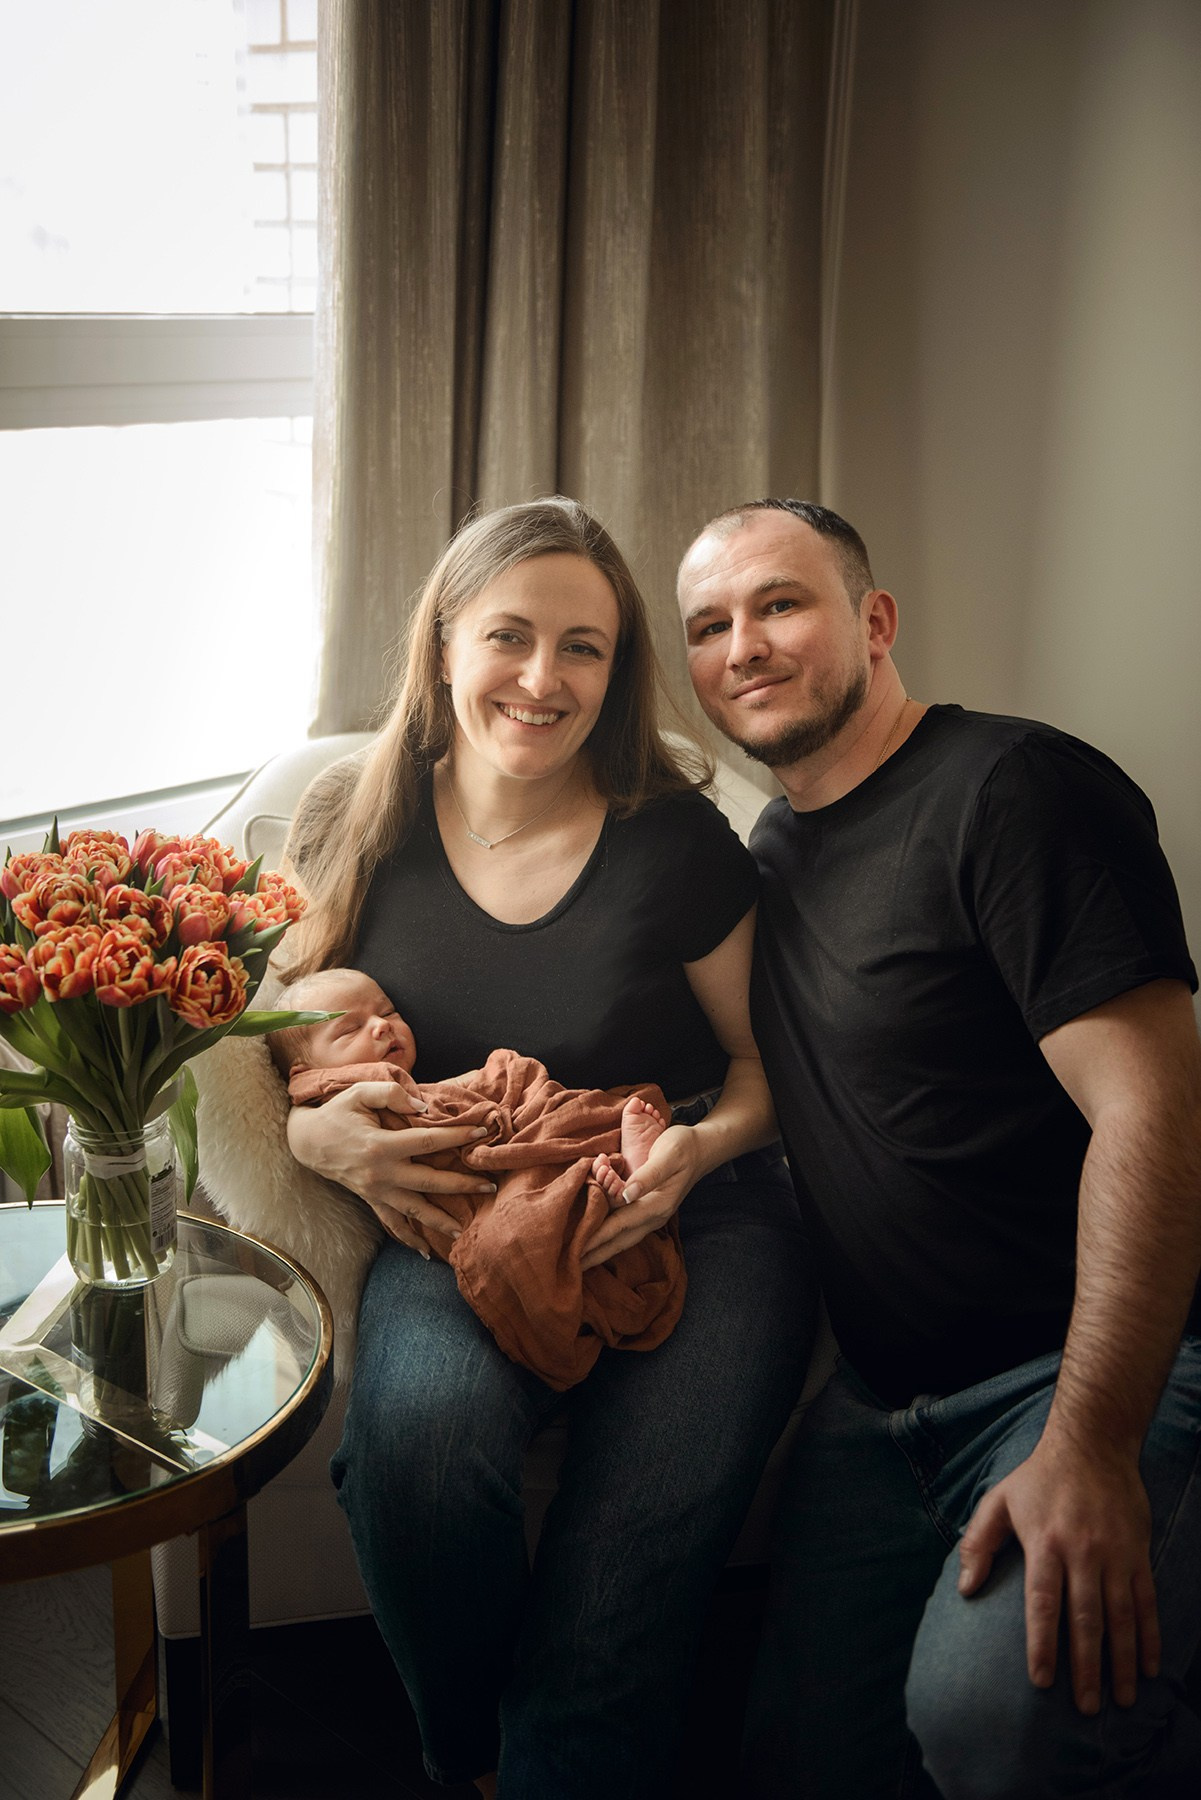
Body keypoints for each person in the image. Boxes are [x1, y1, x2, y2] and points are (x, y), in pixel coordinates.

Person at [278, 497, 817, 1798]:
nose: (542, 677)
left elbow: (771, 1077)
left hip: (696, 1205)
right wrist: (320, 1134)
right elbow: (293, 1034)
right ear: (446, 644)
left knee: (623, 1559)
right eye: (510, 635)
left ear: (617, 668)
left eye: (584, 646)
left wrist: (697, 1151)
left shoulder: (672, 837)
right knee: (414, 1446)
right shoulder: (367, 821)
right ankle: (467, 1758)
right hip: (465, 1206)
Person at [676, 496, 1201, 1799]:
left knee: (990, 1729)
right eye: (708, 625)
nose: (742, 644)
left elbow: (1157, 1111)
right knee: (798, 1765)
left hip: (1083, 1378)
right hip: (881, 1411)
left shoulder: (1012, 790)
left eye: (780, 603)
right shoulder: (770, 856)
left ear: (874, 619)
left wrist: (1088, 1441)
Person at [268, 965, 683, 1391]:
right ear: (306, 1070)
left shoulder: (418, 1083)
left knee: (542, 1117)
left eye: (388, 1013)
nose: (380, 1027)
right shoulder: (339, 1091)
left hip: (506, 1146)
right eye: (349, 1028)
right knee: (514, 1237)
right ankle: (600, 1188)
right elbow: (310, 1093)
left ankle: (606, 1176)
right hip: (477, 1197)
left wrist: (497, 1083)